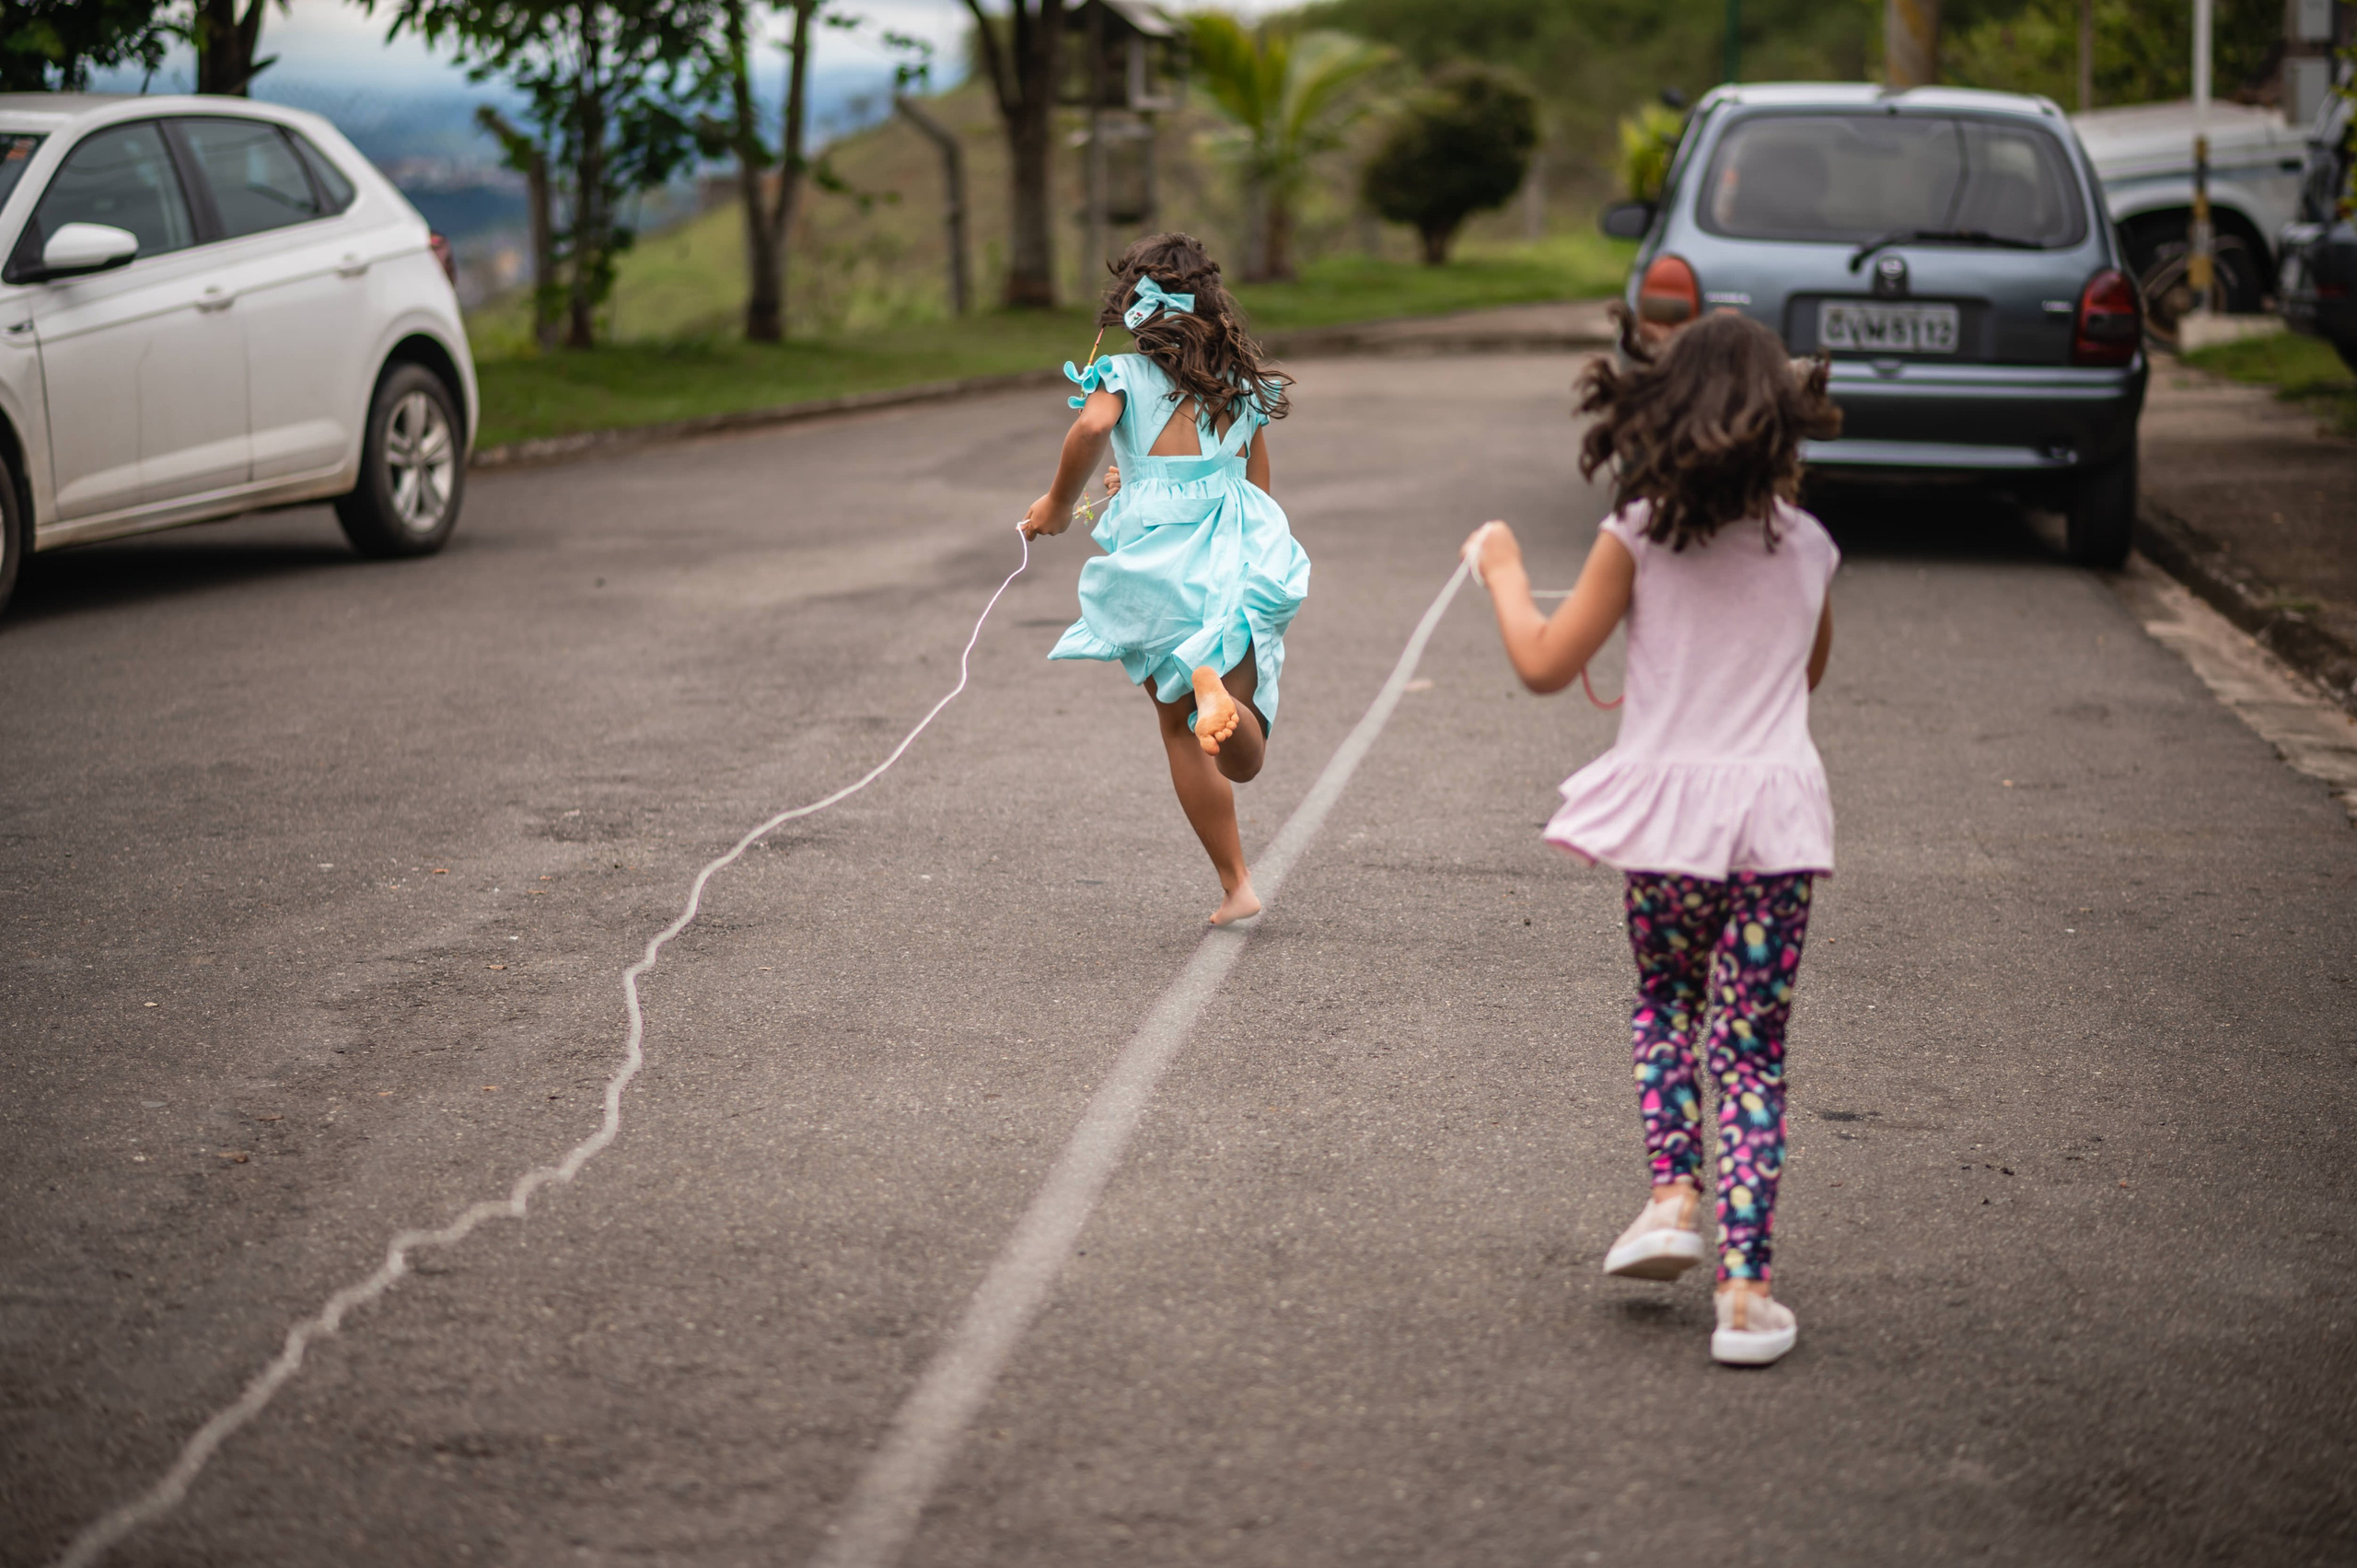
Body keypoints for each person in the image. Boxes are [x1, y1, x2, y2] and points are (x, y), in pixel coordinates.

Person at [1463, 311, 1843, 1367]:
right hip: (1775, 829)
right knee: (1753, 1051)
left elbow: (1545, 662)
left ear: (1660, 411)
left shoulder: (1635, 531)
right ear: (1782, 427)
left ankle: (1675, 1194)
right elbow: (1801, 674)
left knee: (1667, 1005)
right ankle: (1746, 1292)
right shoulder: (1809, 545)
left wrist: (1500, 564)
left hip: (1671, 835)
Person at [1023, 233, 1310, 927]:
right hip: (1237, 557)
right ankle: (1218, 695)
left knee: (1182, 733)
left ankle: (1237, 882)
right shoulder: (1241, 383)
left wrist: (1060, 505)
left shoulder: (1124, 374)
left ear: (1135, 310)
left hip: (1161, 569)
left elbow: (1092, 425)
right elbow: (1254, 487)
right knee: (1244, 753)